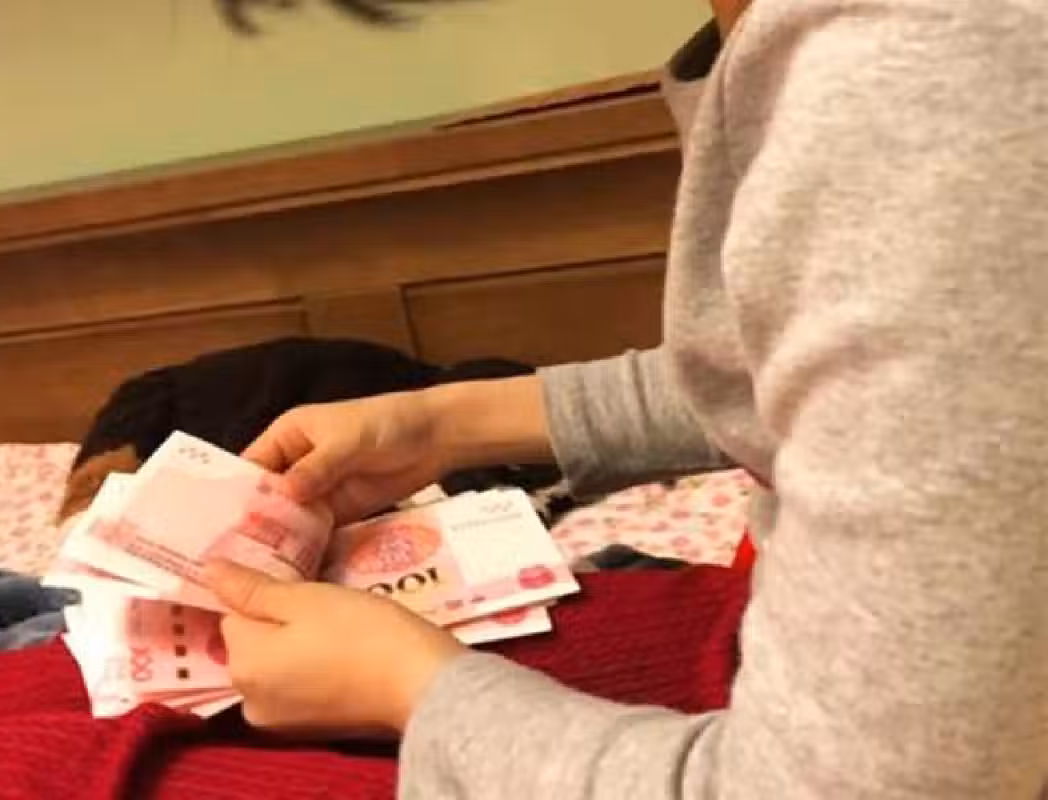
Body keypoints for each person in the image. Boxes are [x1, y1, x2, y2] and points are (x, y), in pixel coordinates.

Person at [202, 0, 1048, 797]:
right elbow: (849, 389)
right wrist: (445, 423)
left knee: (128, 757)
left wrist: (409, 689)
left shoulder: (930, 76)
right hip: (834, 686)